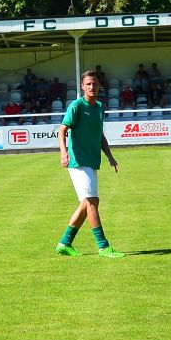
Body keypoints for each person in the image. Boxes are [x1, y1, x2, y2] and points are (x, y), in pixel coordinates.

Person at [55, 71, 123, 259]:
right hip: (78, 161)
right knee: (92, 202)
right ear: (82, 86)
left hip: (92, 161)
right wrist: (63, 152)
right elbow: (62, 130)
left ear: (99, 86)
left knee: (87, 203)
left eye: (95, 84)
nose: (92, 87)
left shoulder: (100, 107)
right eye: (88, 84)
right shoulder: (76, 106)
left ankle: (64, 243)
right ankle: (103, 247)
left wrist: (110, 157)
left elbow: (99, 135)